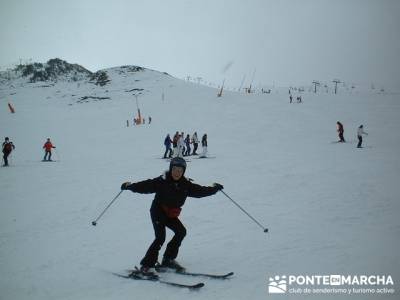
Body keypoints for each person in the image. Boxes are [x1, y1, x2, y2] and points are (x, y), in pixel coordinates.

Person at [121, 157, 223, 275]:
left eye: (180, 170)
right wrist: (130, 186)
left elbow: (200, 191)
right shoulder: (162, 181)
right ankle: (146, 266)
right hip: (158, 211)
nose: (177, 172)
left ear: (183, 171)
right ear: (171, 169)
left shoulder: (185, 185)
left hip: (170, 214)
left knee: (181, 232)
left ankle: (168, 259)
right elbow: (146, 186)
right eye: (174, 169)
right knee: (160, 237)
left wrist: (214, 189)